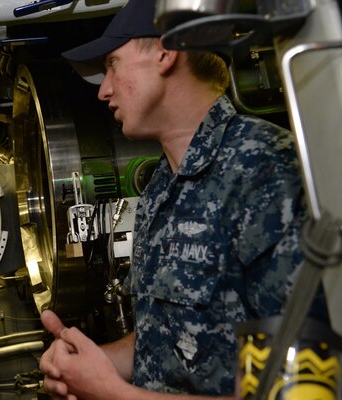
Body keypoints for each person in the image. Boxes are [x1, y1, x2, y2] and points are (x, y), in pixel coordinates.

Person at [39, 0, 329, 399]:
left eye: (112, 64)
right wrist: (91, 363)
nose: (104, 90)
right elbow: (171, 340)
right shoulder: (161, 187)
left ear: (164, 52)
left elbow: (298, 390)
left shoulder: (262, 168)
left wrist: (112, 393)